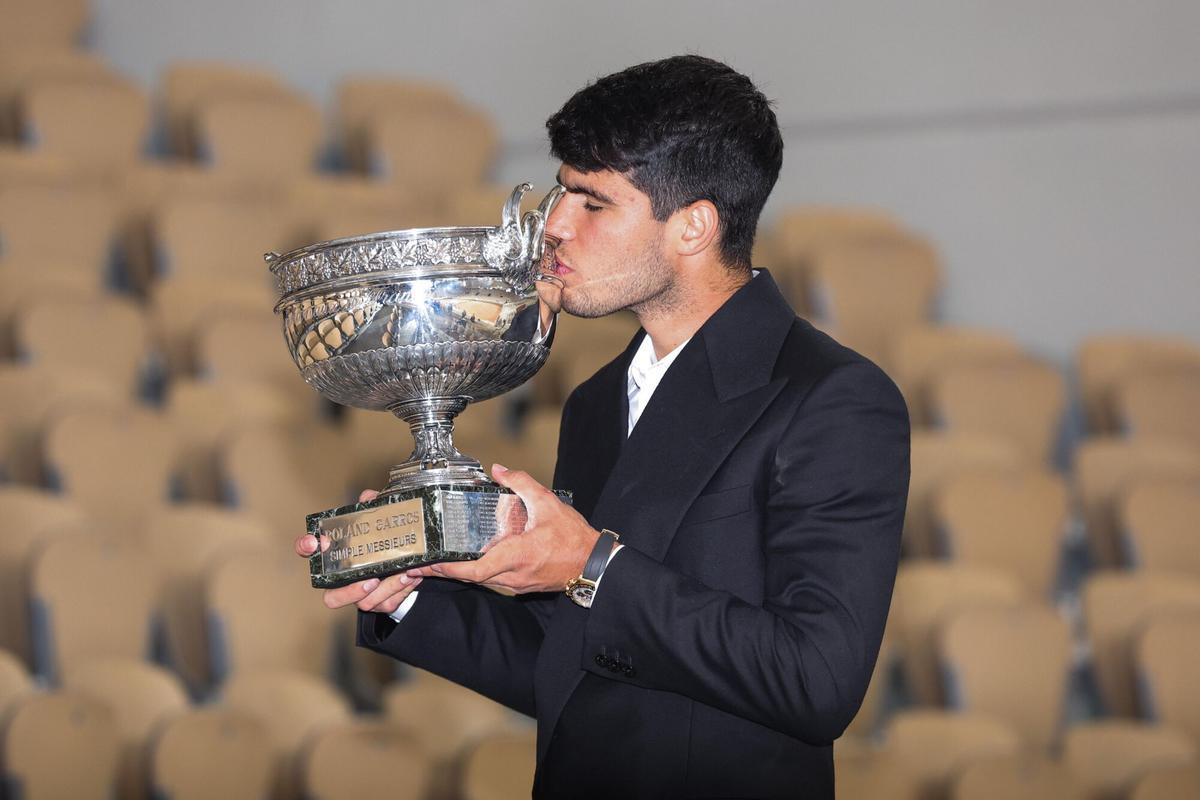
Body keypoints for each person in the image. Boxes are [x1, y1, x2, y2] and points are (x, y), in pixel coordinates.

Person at [296, 54, 909, 798]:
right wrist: (413, 592)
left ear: (694, 227)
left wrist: (592, 567)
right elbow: (580, 668)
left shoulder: (833, 398)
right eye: (561, 190)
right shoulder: (596, 400)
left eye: (592, 202)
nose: (553, 225)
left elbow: (817, 680)